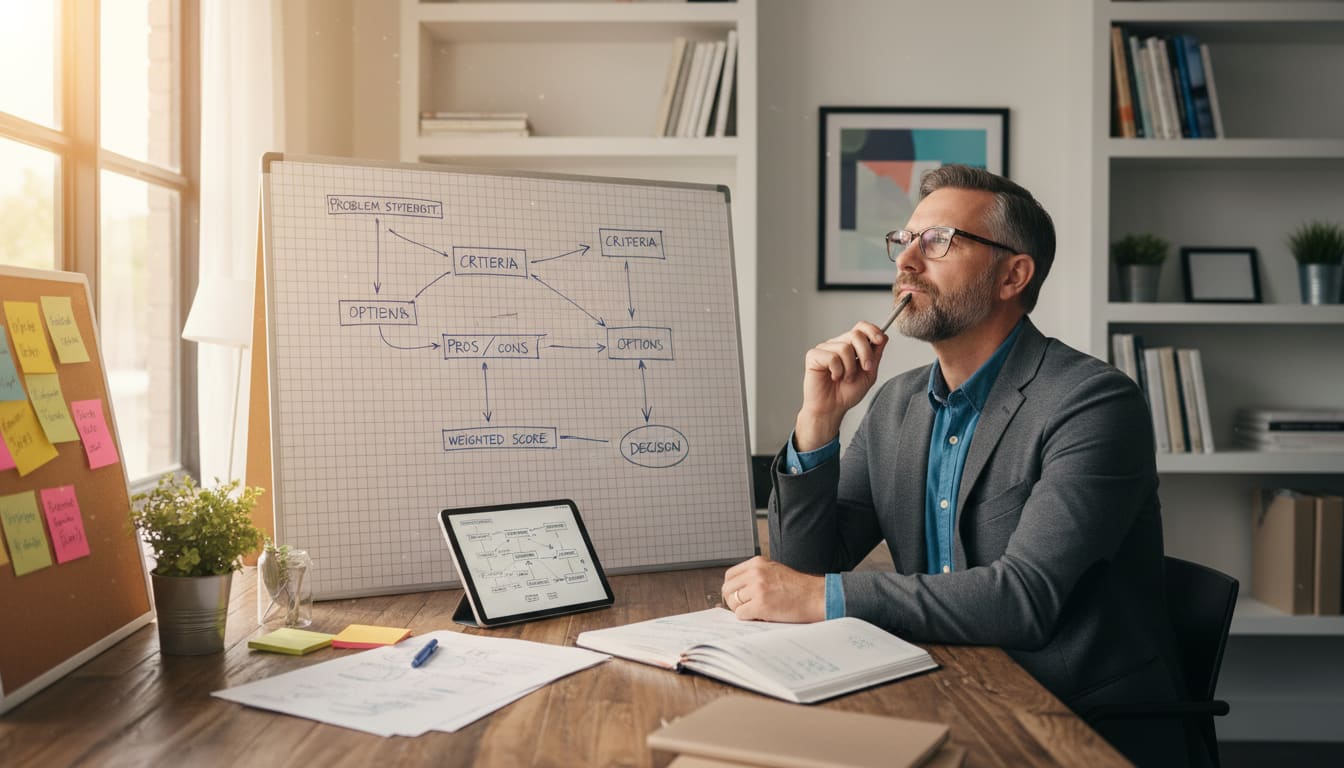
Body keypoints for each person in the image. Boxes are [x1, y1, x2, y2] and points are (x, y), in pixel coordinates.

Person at [721, 165, 1188, 766]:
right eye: (904, 240)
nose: (907, 262)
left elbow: (1023, 598)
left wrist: (825, 597)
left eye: (938, 241)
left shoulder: (1093, 403)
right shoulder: (896, 404)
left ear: (1012, 275)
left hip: (1068, 722)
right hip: (939, 690)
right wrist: (819, 422)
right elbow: (804, 568)